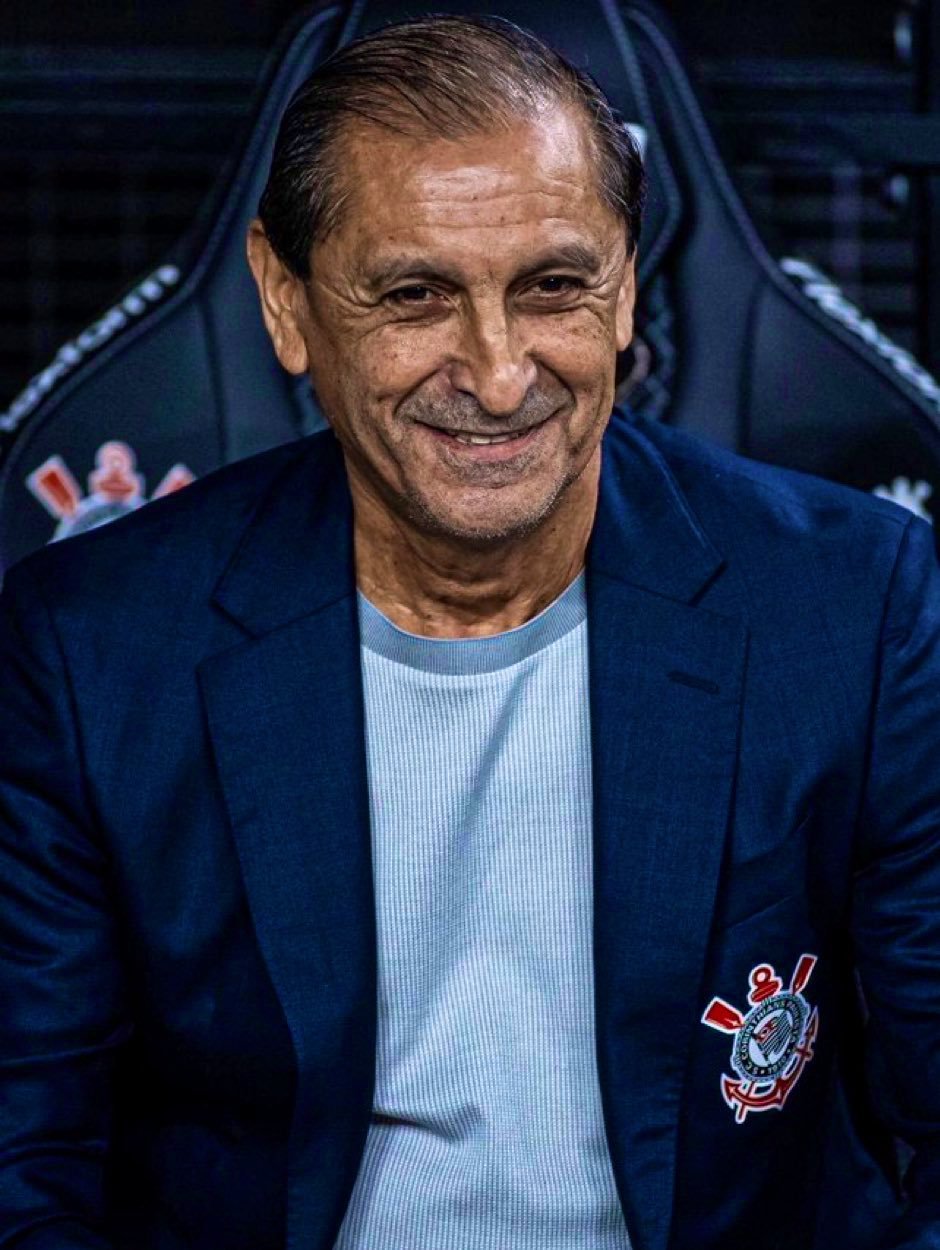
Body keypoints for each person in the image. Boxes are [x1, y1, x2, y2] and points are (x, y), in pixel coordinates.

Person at [1, 14, 938, 1250]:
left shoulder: (855, 603)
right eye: (414, 295)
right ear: (285, 299)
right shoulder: (91, 651)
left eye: (553, 286)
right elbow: (24, 1163)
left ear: (624, 288)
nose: (498, 376)